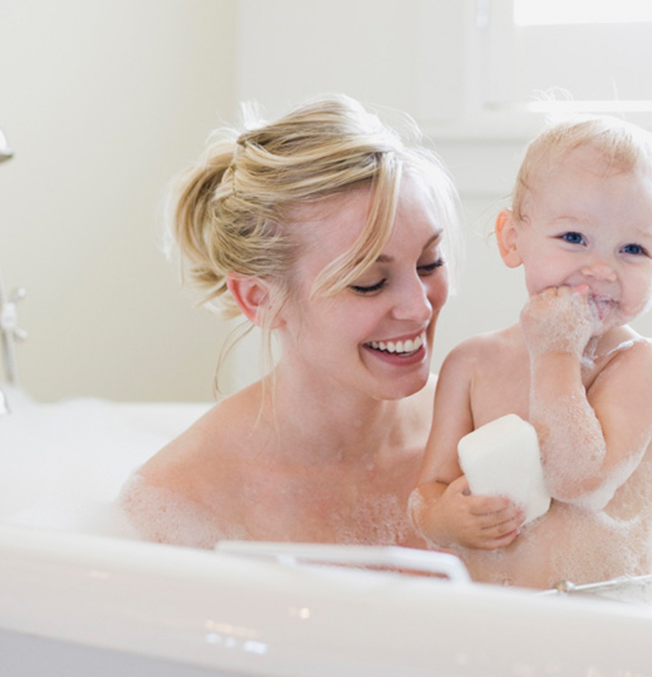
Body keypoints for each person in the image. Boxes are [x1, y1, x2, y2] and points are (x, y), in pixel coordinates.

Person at [120, 95, 461, 549]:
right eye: (369, 282)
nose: (420, 308)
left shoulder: (478, 427)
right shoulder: (179, 502)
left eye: (428, 263)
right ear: (259, 299)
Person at [409, 116, 652, 588]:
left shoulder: (642, 365)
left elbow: (580, 481)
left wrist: (556, 354)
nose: (601, 268)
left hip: (602, 625)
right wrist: (445, 519)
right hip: (493, 625)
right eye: (574, 238)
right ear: (512, 240)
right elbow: (429, 491)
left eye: (633, 249)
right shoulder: (471, 364)